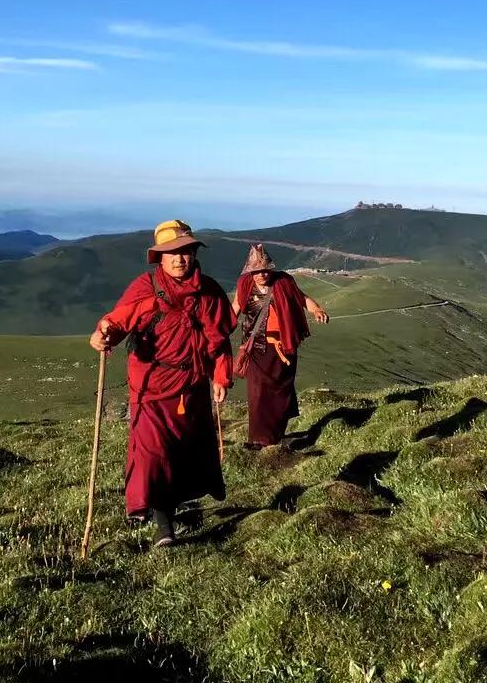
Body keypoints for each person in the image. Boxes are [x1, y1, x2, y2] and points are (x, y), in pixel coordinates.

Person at [89, 220, 234, 546]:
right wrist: (102, 335)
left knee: (184, 452)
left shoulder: (209, 292)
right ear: (160, 257)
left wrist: (221, 375)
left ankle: (173, 504)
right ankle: (163, 525)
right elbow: (116, 321)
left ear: (195, 254)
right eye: (172, 253)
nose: (180, 258)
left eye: (186, 251)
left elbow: (219, 339)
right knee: (154, 454)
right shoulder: (145, 287)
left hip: (193, 385)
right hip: (151, 385)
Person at [231, 244, 329, 449]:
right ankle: (258, 439)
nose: (261, 274)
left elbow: (302, 299)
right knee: (257, 394)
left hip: (284, 348)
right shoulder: (245, 285)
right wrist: (221, 329)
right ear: (250, 272)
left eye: (265, 270)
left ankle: (276, 436)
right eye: (256, 271)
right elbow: (235, 309)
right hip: (256, 348)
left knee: (280, 393)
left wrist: (316, 310)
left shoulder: (284, 282)